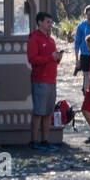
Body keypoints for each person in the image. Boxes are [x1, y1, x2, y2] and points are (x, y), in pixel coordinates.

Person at [27, 11, 63, 151]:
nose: (50, 25)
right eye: (47, 22)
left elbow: (52, 60)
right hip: (40, 80)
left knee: (48, 112)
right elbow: (32, 59)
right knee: (38, 112)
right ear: (40, 22)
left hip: (51, 79)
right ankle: (34, 141)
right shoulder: (34, 38)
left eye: (50, 22)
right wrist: (50, 57)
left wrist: (58, 58)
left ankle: (45, 140)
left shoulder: (52, 40)